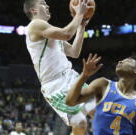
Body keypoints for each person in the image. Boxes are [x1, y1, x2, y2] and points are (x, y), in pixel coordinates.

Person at [23, 0, 94, 134]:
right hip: (55, 85)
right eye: (43, 4)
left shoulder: (50, 31)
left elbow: (74, 52)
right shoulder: (35, 25)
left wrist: (81, 26)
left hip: (70, 76)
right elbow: (66, 33)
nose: (48, 5)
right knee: (80, 123)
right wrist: (79, 14)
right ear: (34, 11)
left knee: (98, 109)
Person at [66, 54, 136, 135]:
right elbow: (70, 101)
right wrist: (84, 75)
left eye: (127, 61)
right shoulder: (103, 85)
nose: (120, 61)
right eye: (121, 60)